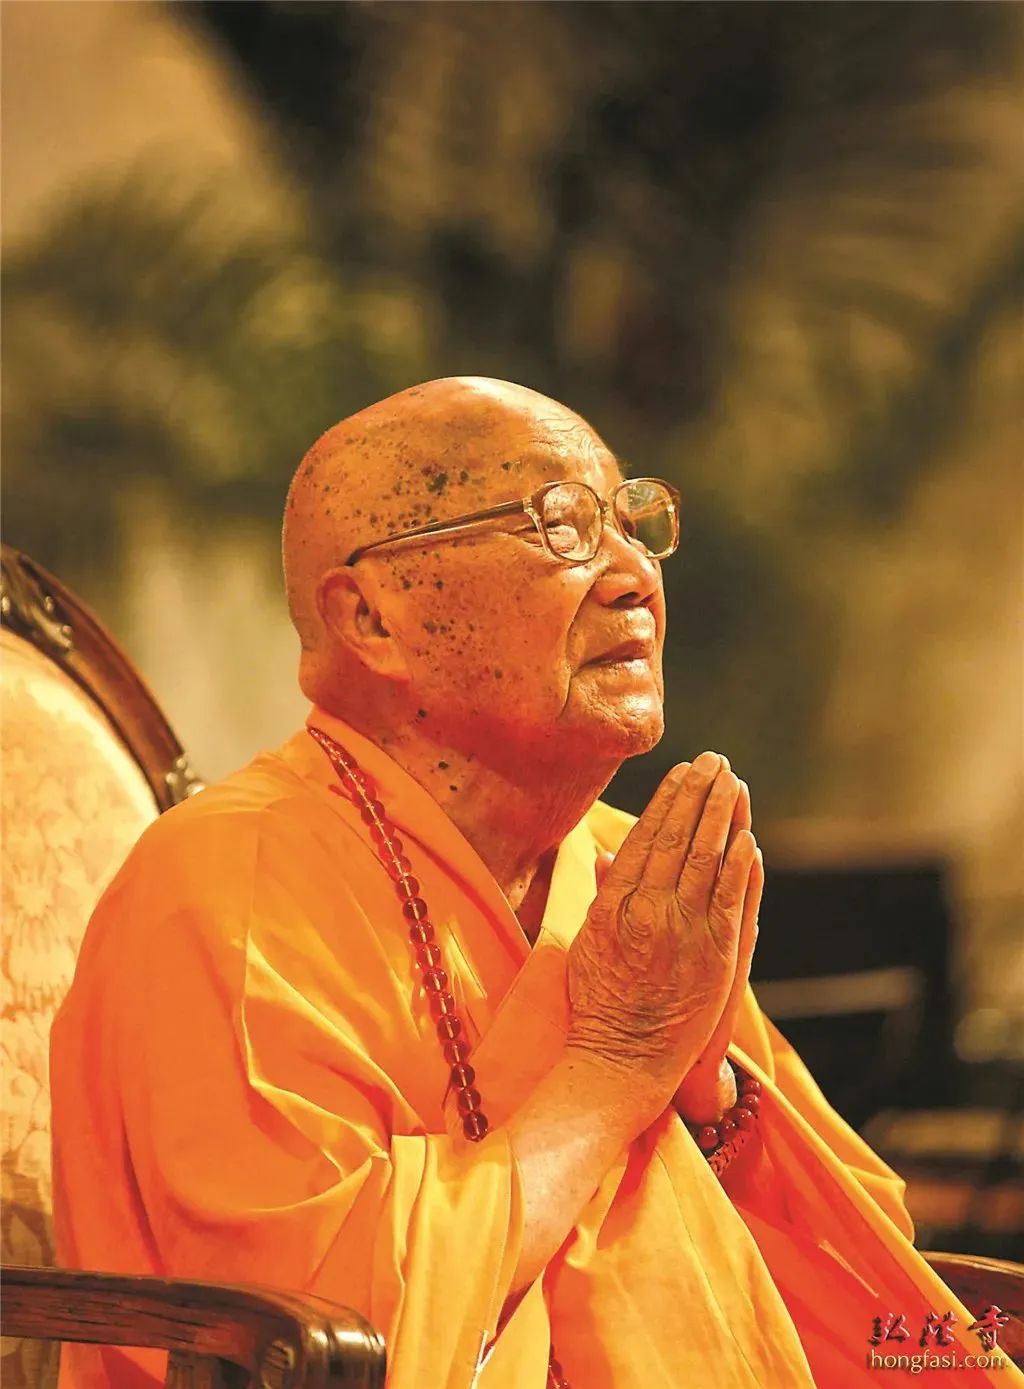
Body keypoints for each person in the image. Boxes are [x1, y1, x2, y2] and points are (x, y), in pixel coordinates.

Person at [51, 378, 1020, 1388]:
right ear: (372, 616)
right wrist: (615, 1069)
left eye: (633, 523)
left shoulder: (625, 871)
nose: (635, 576)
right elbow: (325, 1331)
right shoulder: (232, 883)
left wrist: (708, 1095)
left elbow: (865, 1263)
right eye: (561, 526)